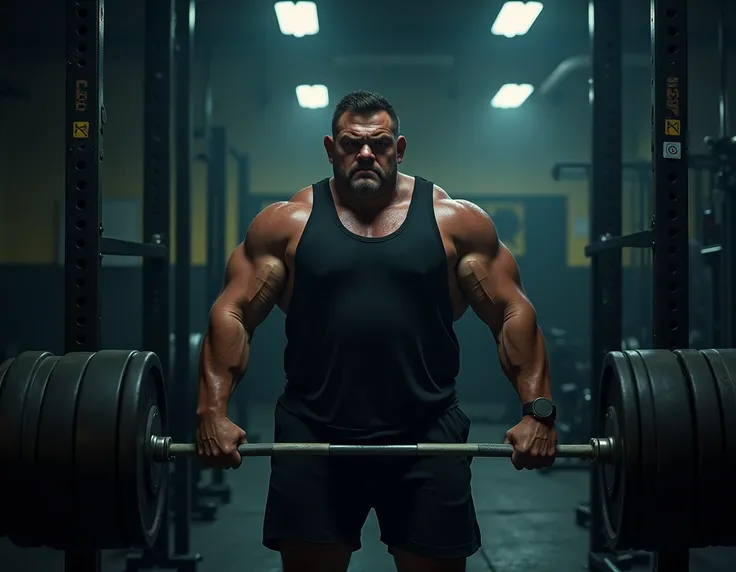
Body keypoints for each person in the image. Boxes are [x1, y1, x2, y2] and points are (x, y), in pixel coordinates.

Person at [195, 90, 558, 572]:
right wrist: (211, 410)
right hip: (313, 434)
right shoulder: (286, 224)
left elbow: (513, 312)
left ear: (399, 148)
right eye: (351, 143)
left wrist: (538, 411)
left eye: (380, 143)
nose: (365, 153)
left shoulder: (456, 222)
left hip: (426, 431)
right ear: (330, 148)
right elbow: (233, 312)